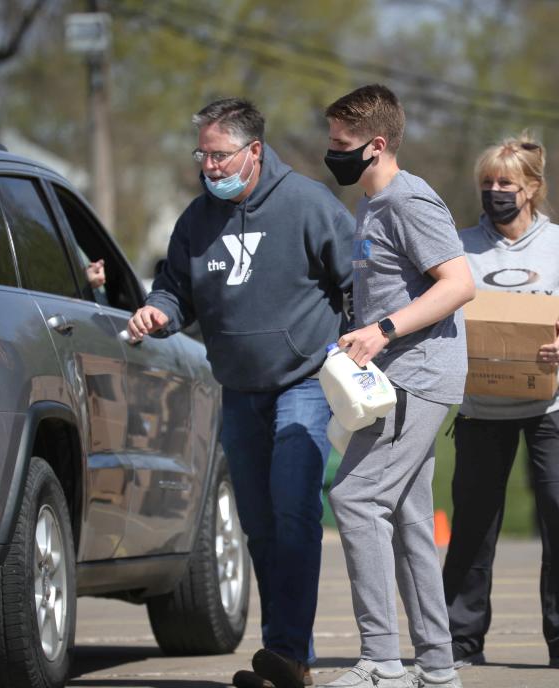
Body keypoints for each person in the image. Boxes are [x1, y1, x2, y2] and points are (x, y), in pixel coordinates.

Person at [126, 98, 355, 688]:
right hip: (238, 390)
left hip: (305, 380)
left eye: (220, 155)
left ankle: (283, 651)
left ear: (254, 151)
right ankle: (291, 658)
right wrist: (158, 310)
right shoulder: (195, 222)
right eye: (202, 154)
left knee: (294, 509)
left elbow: (358, 278)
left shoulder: (307, 204)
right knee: (258, 522)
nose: (210, 166)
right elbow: (176, 289)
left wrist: (365, 352)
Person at [320, 84, 475, 688]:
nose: (330, 153)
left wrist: (382, 330)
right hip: (392, 379)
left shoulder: (409, 202)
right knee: (409, 519)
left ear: (376, 144)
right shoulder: (373, 204)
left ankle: (382, 662)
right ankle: (436, 668)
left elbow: (459, 283)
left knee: (356, 499)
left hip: (417, 378)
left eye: (341, 144)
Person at [441, 134, 559, 671]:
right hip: (481, 408)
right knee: (473, 525)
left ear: (532, 188)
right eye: (487, 183)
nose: (495, 191)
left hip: (554, 408)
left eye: (506, 183)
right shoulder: (459, 246)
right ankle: (462, 640)